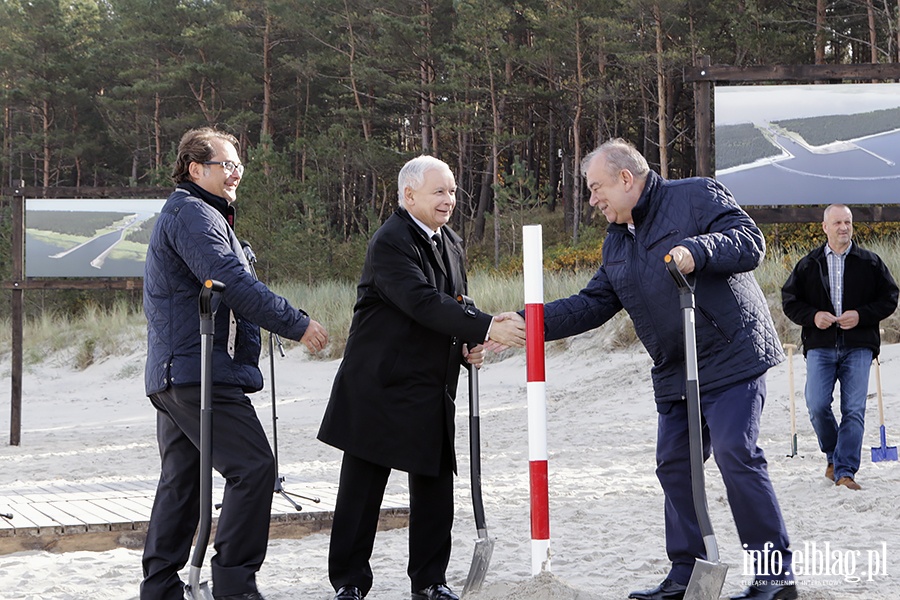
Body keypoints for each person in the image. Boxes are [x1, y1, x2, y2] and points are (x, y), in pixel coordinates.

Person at [508, 138, 797, 600]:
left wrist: (697, 251)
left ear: (626, 178)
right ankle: (686, 574)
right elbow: (593, 303)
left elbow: (749, 241)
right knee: (674, 467)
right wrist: (529, 320)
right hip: (675, 371)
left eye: (596, 187)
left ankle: (775, 579)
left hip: (731, 357)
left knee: (734, 453)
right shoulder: (616, 241)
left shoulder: (695, 195)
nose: (592, 199)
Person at [317, 155, 526, 600]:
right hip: (379, 385)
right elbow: (422, 302)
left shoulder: (450, 241)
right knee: (361, 492)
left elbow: (456, 303)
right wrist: (488, 326)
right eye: (439, 191)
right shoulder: (390, 241)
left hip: (430, 387)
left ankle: (430, 582)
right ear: (409, 195)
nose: (449, 199)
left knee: (434, 489)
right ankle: (349, 585)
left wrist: (471, 342)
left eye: (452, 191)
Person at [141, 127, 329, 600]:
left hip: (180, 374)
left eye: (238, 164)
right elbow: (229, 281)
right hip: (197, 372)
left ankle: (160, 590)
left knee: (183, 482)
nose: (236, 171)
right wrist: (297, 323)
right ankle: (234, 586)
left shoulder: (201, 213)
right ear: (195, 169)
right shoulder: (192, 214)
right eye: (227, 164)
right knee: (254, 468)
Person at [781, 204, 898, 491]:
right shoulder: (809, 263)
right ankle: (833, 456)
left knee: (854, 409)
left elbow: (890, 297)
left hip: (859, 345)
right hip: (820, 346)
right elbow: (789, 301)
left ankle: (845, 472)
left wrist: (861, 315)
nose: (844, 227)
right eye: (837, 223)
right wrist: (813, 317)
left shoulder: (869, 262)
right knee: (817, 405)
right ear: (825, 227)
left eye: (848, 222)